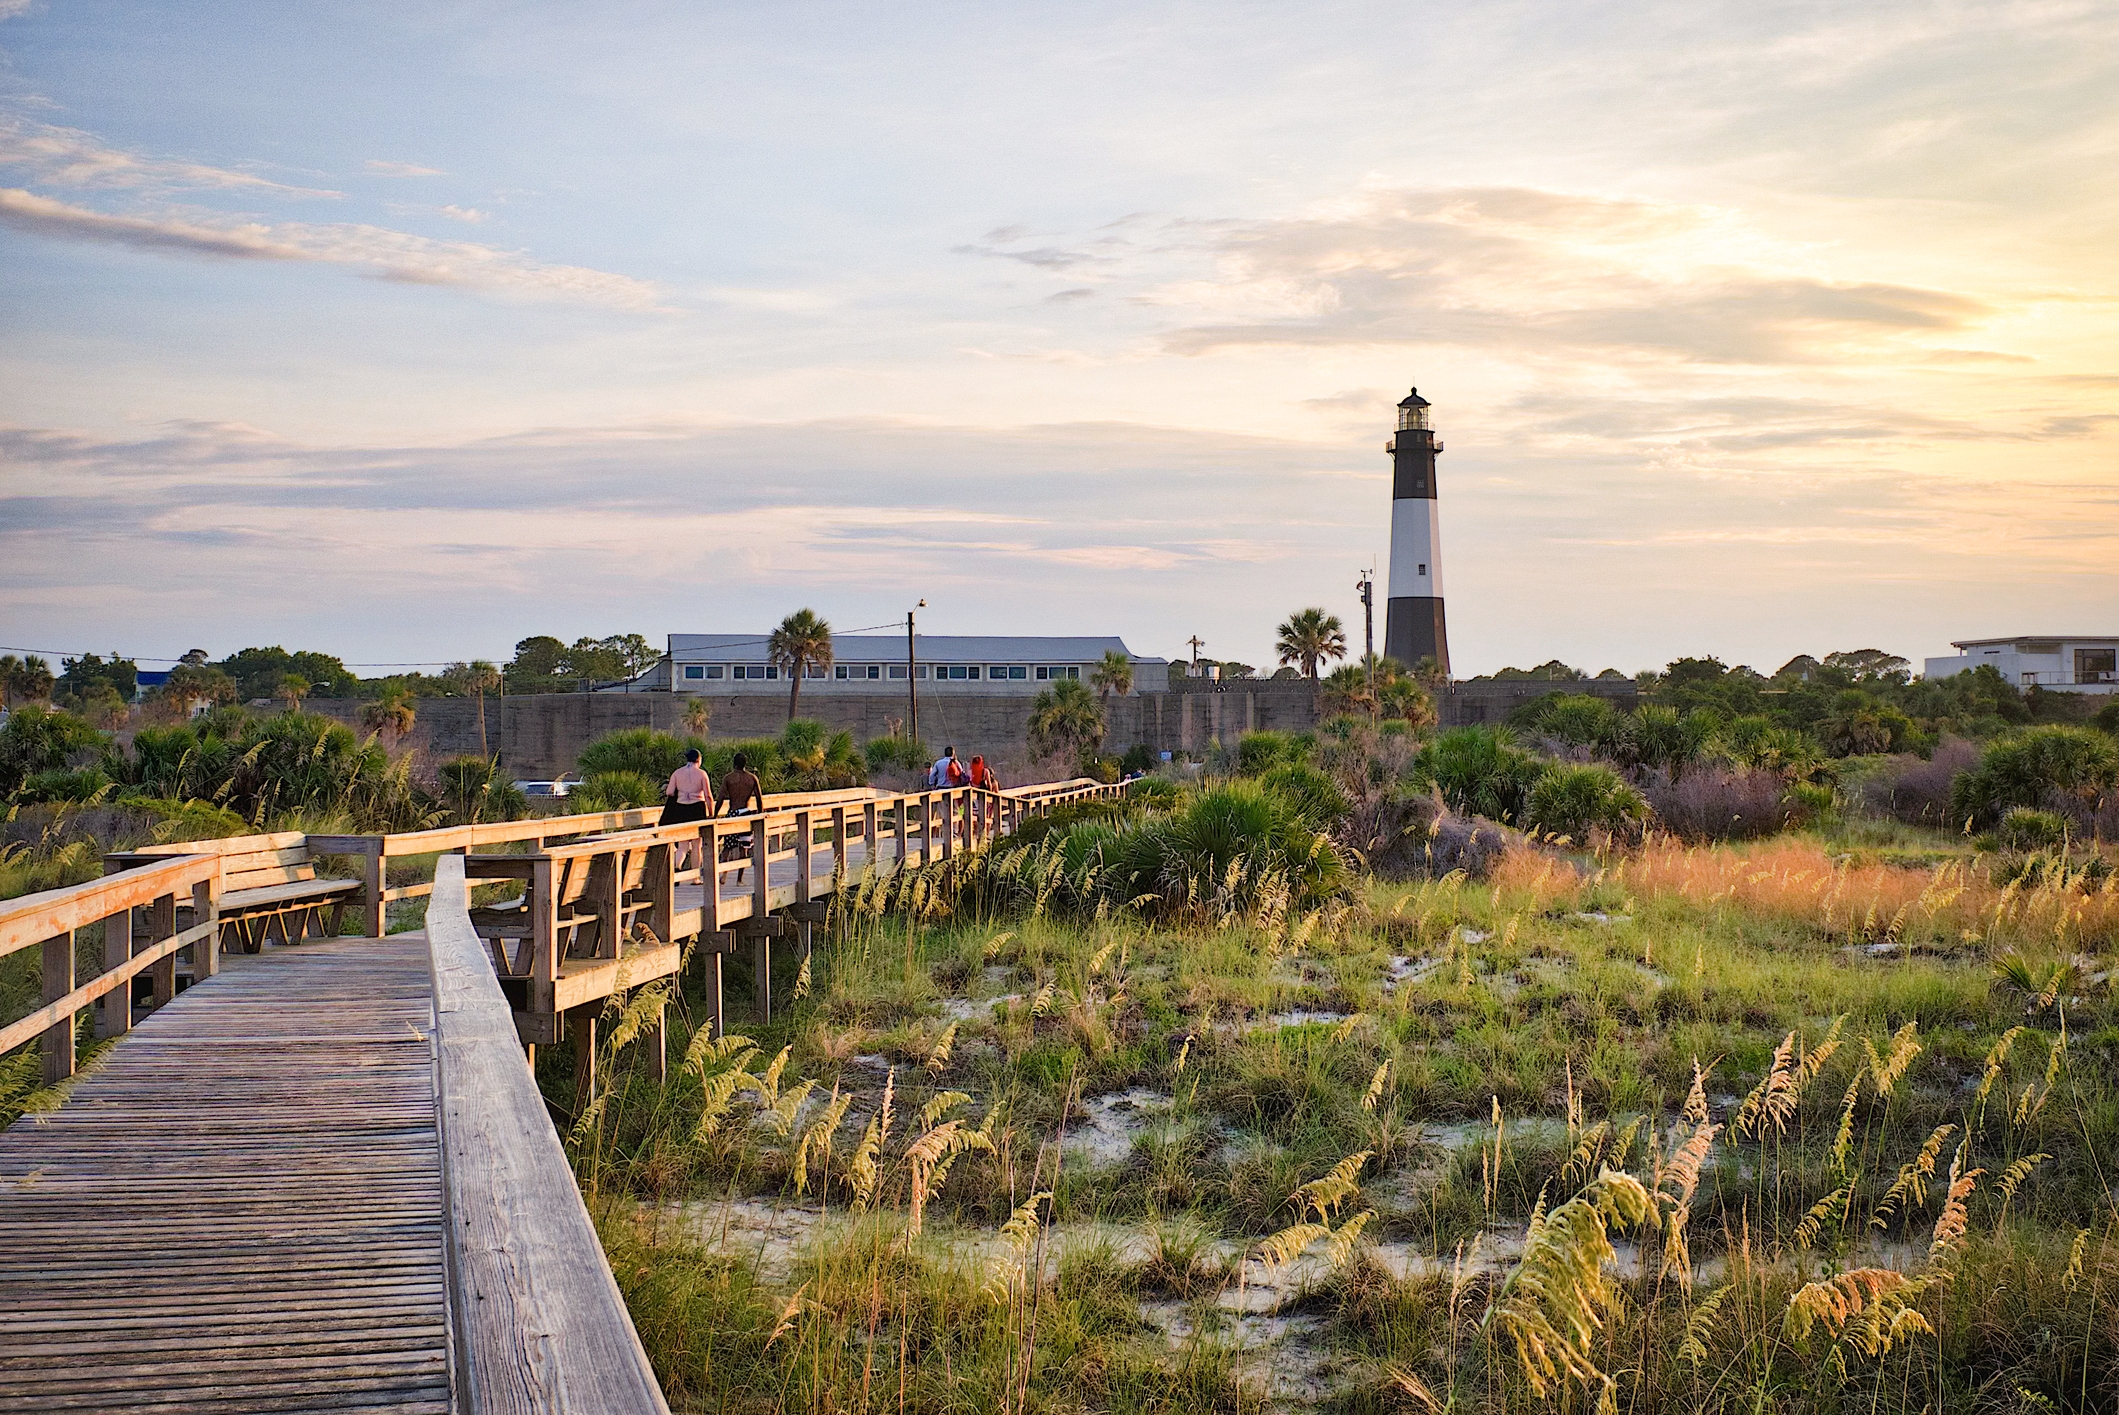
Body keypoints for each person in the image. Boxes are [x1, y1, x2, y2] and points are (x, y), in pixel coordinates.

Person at [660, 748, 714, 871]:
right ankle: (695, 877)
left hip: (681, 808)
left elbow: (669, 792)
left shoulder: (677, 773)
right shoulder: (702, 774)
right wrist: (711, 814)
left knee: (683, 844)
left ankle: (677, 865)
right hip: (697, 808)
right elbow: (708, 796)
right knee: (696, 844)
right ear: (699, 760)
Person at [717, 751, 765, 882]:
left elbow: (720, 798)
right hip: (745, 814)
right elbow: (759, 799)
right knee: (743, 847)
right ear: (745, 764)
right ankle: (739, 879)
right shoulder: (752, 778)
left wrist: (715, 816)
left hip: (733, 813)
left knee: (727, 846)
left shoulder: (728, 778)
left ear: (734, 763)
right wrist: (760, 815)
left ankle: (724, 875)